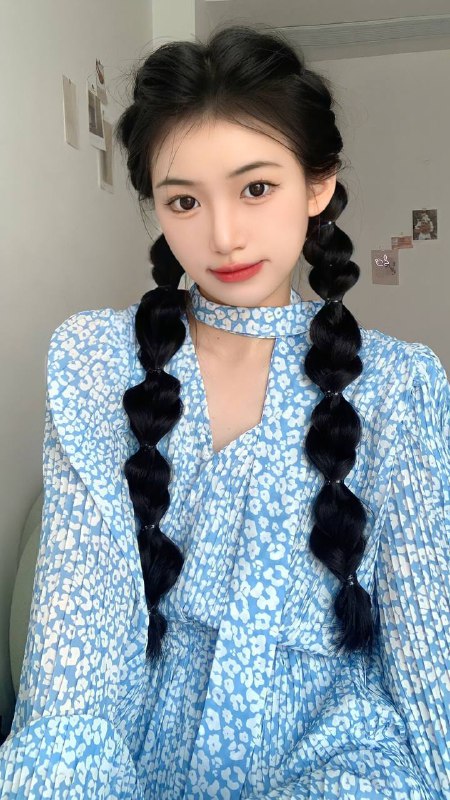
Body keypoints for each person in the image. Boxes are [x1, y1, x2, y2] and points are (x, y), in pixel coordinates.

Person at [0, 22, 449, 800]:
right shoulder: (95, 363)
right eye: (184, 200)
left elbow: (427, 650)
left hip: (339, 747)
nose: (224, 235)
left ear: (317, 184)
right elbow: (76, 644)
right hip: (141, 733)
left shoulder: (401, 384)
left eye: (256, 188)